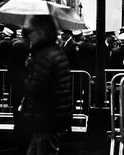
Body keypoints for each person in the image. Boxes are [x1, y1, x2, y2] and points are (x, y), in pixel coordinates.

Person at [21, 15, 72, 155]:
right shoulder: (55, 50)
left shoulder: (44, 54)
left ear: (42, 31)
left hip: (46, 117)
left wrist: (26, 75)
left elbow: (36, 88)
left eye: (32, 31)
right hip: (52, 116)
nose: (30, 35)